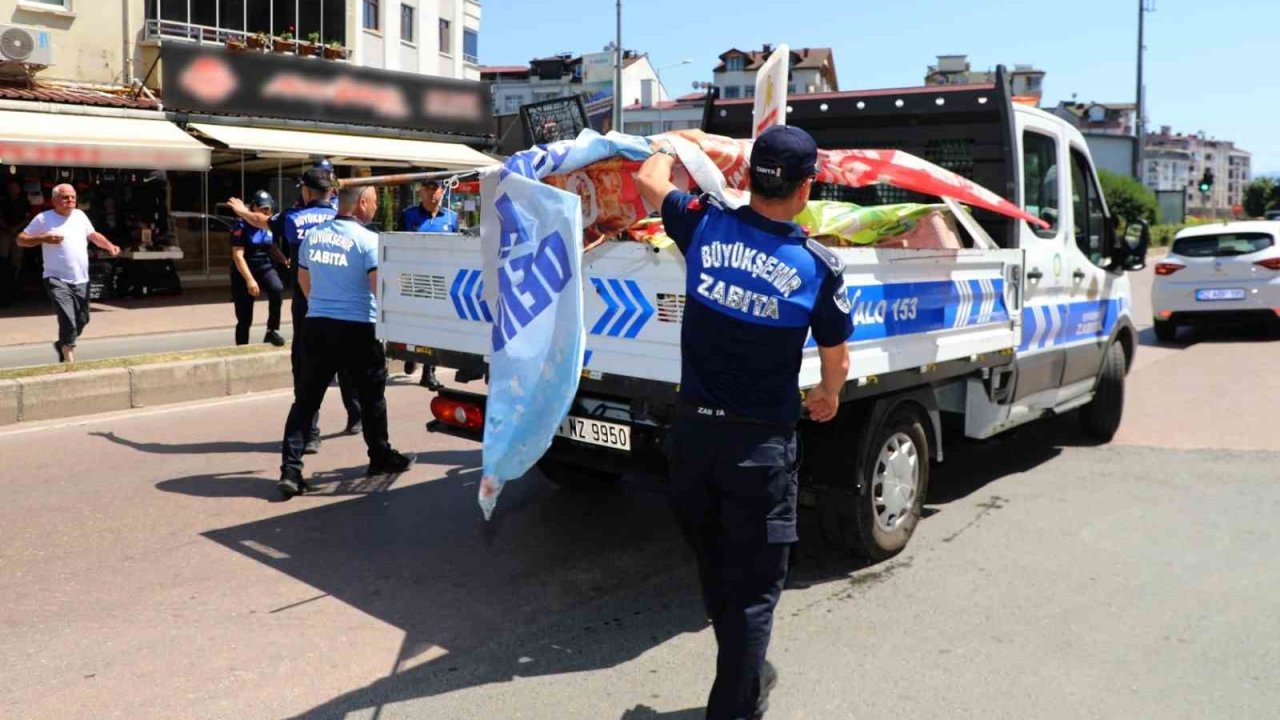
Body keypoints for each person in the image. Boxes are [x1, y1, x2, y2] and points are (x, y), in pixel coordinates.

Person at [636, 126, 854, 720]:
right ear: (806, 185)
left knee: (717, 571)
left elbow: (648, 178)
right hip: (758, 453)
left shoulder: (702, 224)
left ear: (749, 175)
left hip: (692, 445)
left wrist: (667, 144)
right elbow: (836, 360)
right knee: (755, 595)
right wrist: (828, 395)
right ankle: (736, 700)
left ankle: (743, 678)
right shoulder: (816, 267)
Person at [278, 185, 413, 498]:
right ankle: (380, 457)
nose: (377, 208)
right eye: (376, 202)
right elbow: (379, 289)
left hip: (318, 326)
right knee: (371, 397)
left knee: (306, 400)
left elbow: (303, 279)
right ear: (362, 204)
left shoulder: (313, 236)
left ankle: (290, 470)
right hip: (357, 329)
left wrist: (322, 305)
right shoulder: (368, 240)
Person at [229, 167, 363, 447]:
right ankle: (357, 417)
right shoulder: (342, 216)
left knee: (307, 367)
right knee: (348, 360)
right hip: (344, 300)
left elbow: (260, 220)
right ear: (332, 190)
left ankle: (310, 433)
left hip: (308, 302)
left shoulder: (293, 218)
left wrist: (241, 210)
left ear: (305, 190)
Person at [17, 183, 121, 363]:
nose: (70, 200)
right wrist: (43, 238)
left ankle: (62, 342)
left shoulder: (80, 216)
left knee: (82, 319)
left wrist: (109, 246)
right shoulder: (44, 219)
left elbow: (93, 235)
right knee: (67, 316)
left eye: (73, 197)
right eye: (65, 197)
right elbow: (21, 240)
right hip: (55, 277)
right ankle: (68, 356)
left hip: (81, 279)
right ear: (54, 200)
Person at [397, 179, 458, 389]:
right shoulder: (409, 215)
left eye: (436, 189)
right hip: (414, 278)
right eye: (428, 189)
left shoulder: (451, 218)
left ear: (442, 192)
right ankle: (411, 353)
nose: (432, 193)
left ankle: (428, 372)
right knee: (413, 321)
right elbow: (398, 245)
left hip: (441, 281)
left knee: (437, 326)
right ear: (420, 192)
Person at [229, 190, 288, 347]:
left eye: (269, 209)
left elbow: (272, 247)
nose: (266, 212)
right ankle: (242, 347)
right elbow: (237, 256)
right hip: (243, 271)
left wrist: (283, 260)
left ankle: (272, 331)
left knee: (277, 289)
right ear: (253, 207)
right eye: (263, 208)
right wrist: (250, 280)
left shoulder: (268, 225)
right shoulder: (241, 226)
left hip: (265, 267)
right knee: (244, 316)